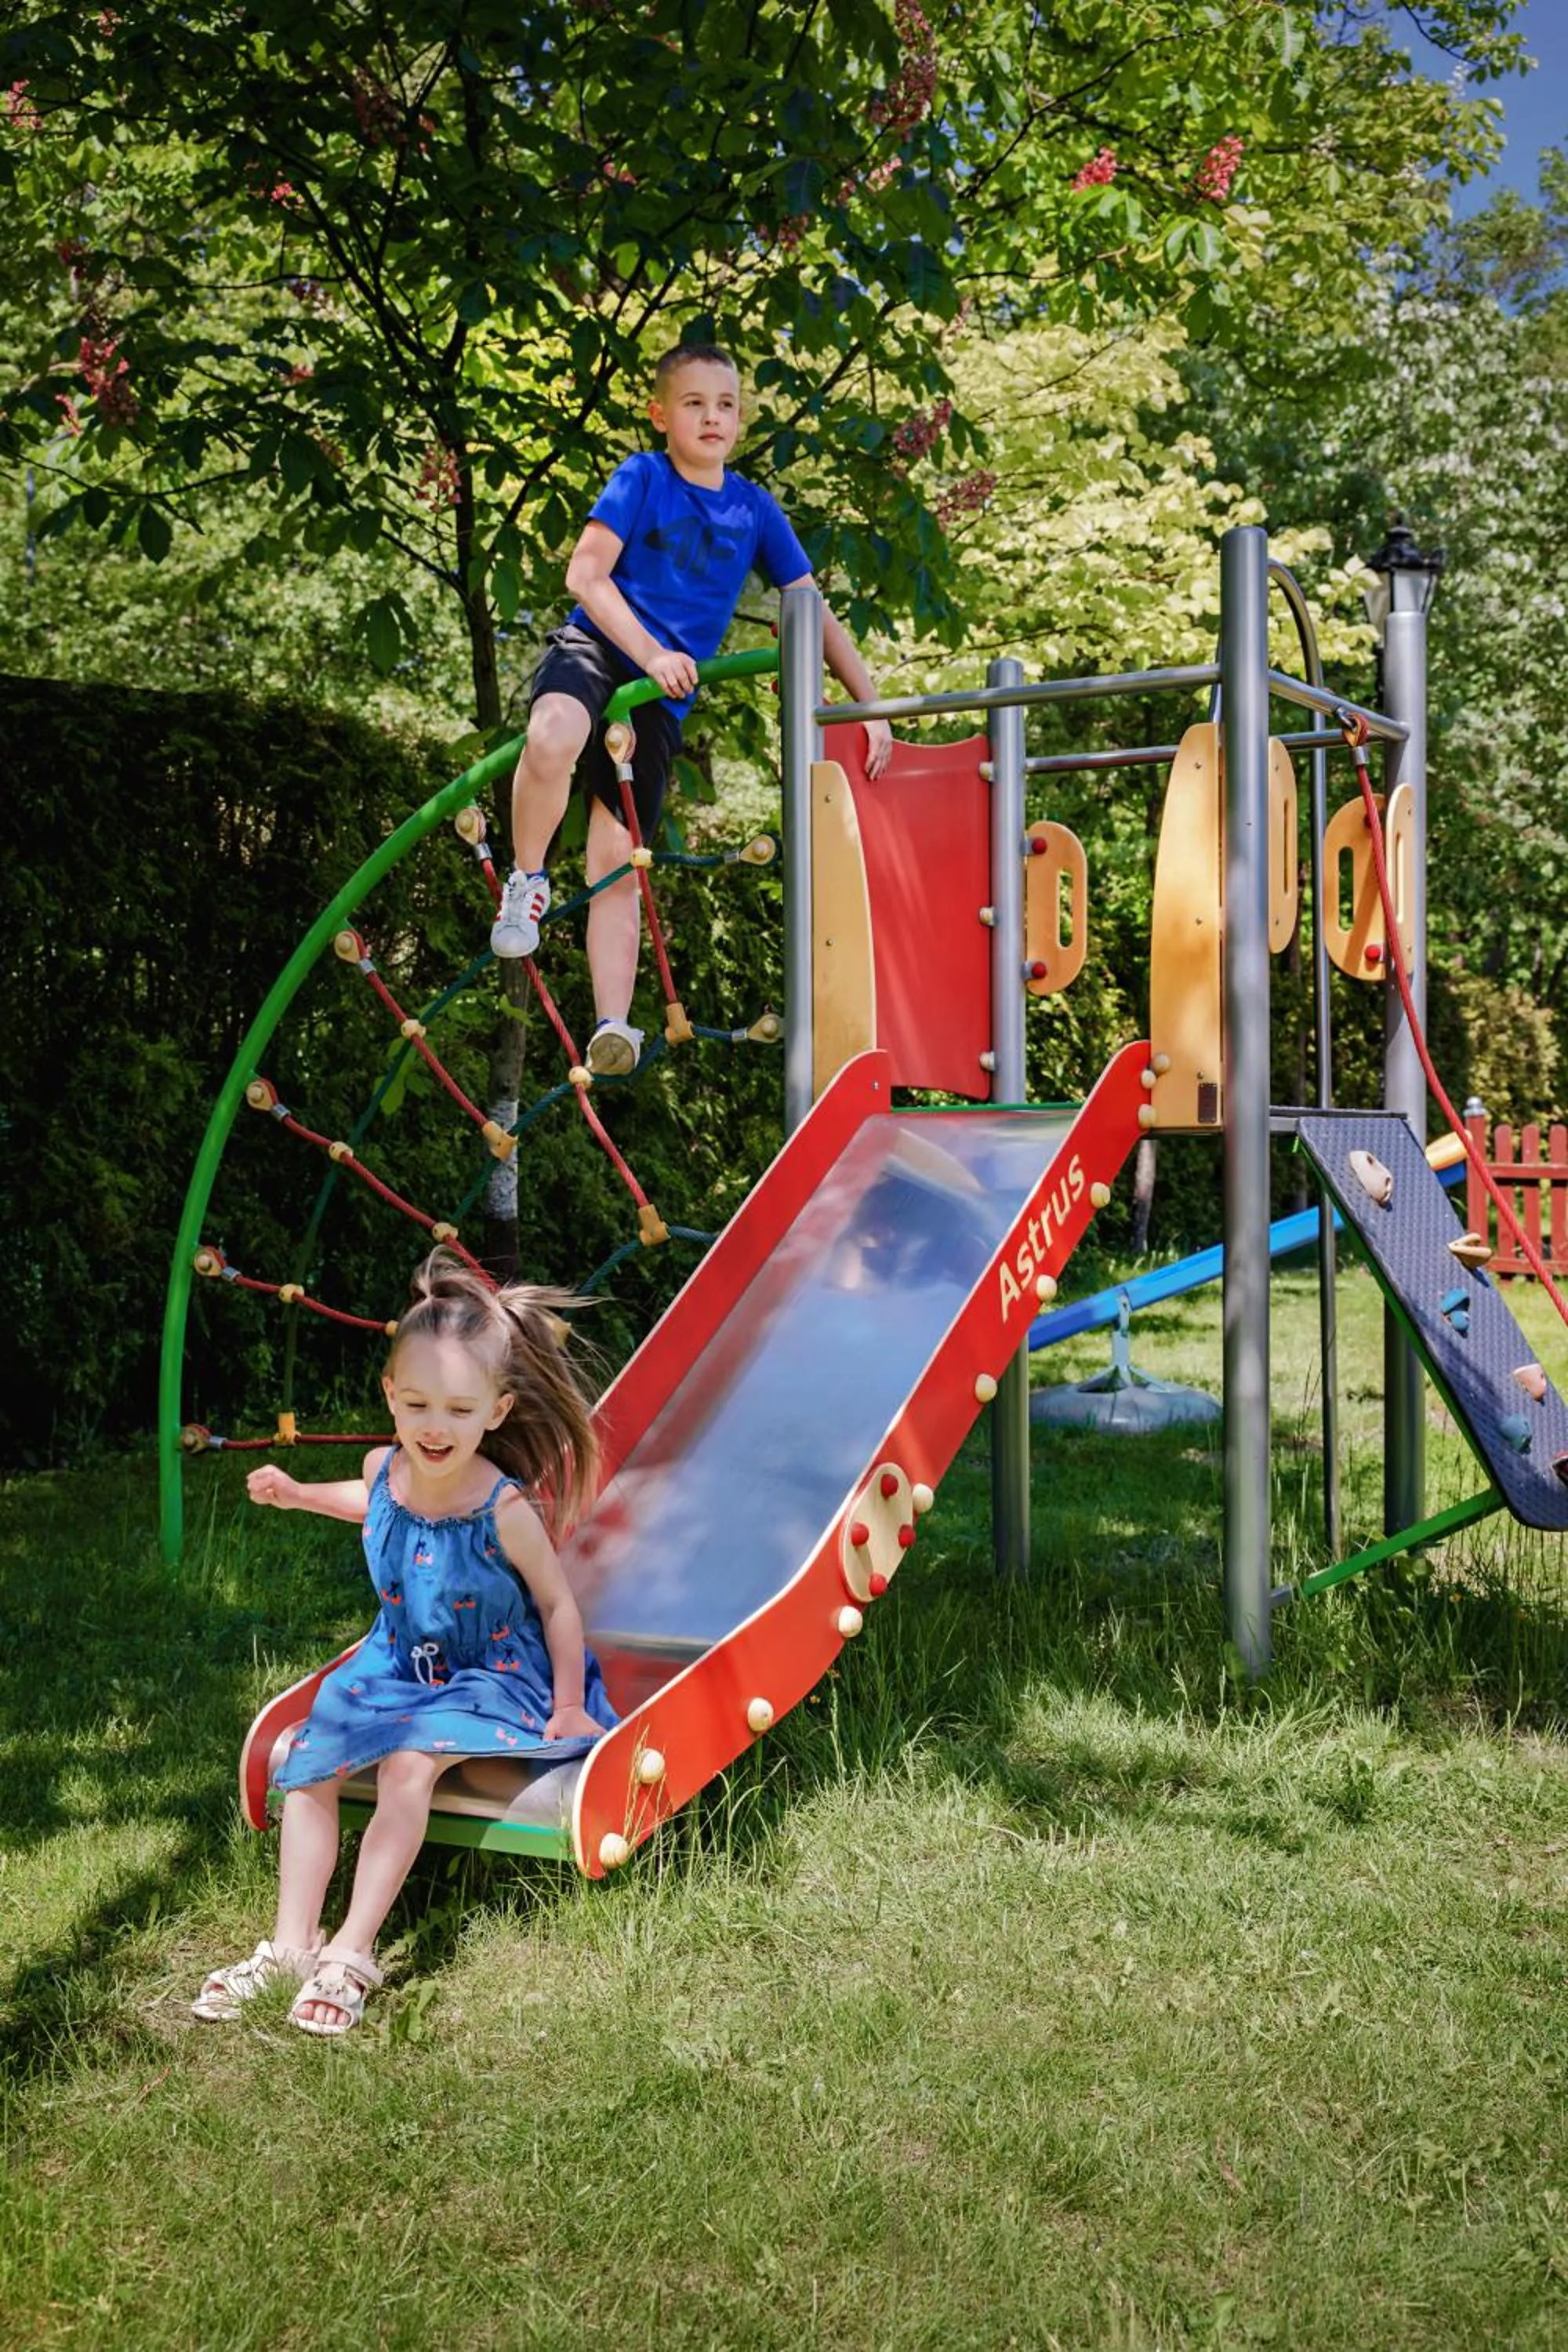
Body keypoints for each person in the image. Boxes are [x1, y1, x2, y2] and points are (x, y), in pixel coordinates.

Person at [192, 1249, 616, 2038]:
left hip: (489, 1675)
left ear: (495, 1411)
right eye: (416, 1404)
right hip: (396, 1663)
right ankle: (291, 1944)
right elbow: (372, 1503)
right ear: (390, 1395)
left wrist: (565, 1705)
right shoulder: (386, 1469)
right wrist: (296, 1495)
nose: (434, 1427)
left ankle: (351, 1950)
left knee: (409, 1762)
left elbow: (557, 1605)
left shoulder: (502, 1506)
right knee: (314, 1758)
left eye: (458, 1411)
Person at [489, 340, 895, 1076]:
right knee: (552, 735)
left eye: (727, 404)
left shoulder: (753, 508)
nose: (713, 418)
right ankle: (525, 880)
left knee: (617, 854)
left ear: (741, 417)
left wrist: (870, 704)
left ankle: (613, 1023)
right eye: (694, 403)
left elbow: (809, 607)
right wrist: (648, 655)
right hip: (608, 650)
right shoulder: (642, 476)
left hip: (661, 696)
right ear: (660, 415)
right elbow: (585, 574)